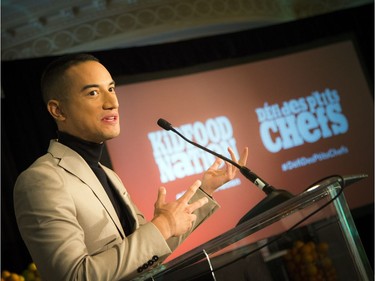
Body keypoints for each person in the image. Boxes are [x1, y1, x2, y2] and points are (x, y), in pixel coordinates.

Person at [13, 54, 248, 281]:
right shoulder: (41, 180)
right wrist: (162, 226)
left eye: (112, 89)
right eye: (93, 93)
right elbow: (73, 277)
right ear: (58, 110)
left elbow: (147, 255)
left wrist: (205, 191)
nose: (112, 102)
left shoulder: (108, 175)